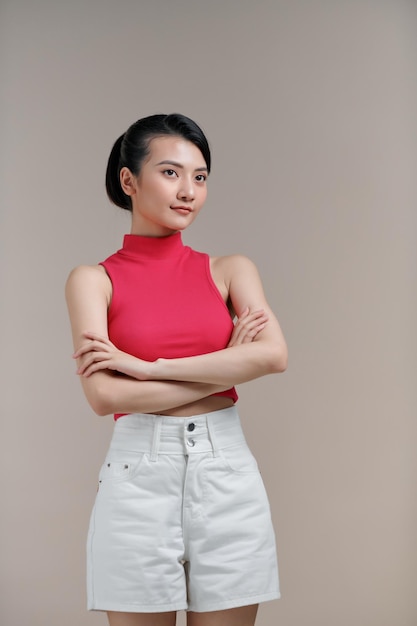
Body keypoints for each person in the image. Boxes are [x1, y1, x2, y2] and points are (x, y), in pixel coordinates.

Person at [65, 113, 288, 626]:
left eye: (200, 176)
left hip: (227, 474)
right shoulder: (92, 280)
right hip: (138, 476)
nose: (188, 190)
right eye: (170, 173)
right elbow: (102, 397)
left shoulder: (231, 270)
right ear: (129, 180)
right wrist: (227, 365)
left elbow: (273, 356)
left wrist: (143, 369)